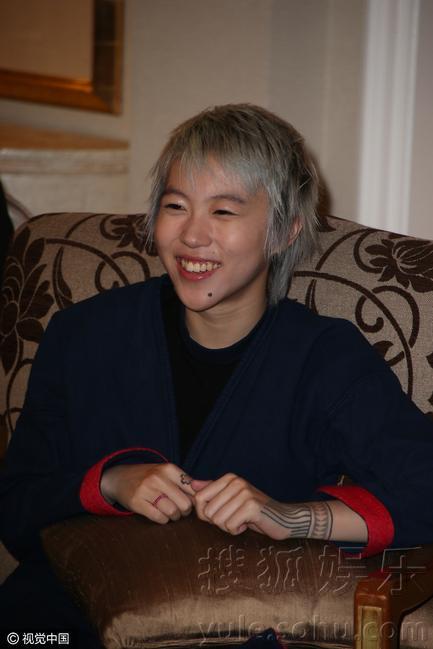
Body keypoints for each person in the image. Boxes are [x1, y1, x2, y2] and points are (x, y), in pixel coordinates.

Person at [1, 104, 432, 647]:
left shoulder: (325, 358)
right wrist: (111, 483)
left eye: (224, 211)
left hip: (233, 630)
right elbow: (16, 503)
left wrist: (291, 517)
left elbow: (424, 487)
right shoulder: (82, 334)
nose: (192, 235)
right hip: (54, 622)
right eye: (175, 206)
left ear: (284, 231)